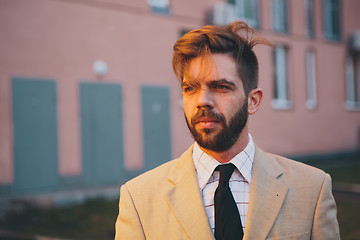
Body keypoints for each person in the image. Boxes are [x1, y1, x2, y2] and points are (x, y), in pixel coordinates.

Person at [115, 21, 340, 240]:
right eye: (190, 88)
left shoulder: (312, 189)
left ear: (253, 101)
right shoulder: (139, 198)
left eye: (221, 87)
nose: (202, 101)